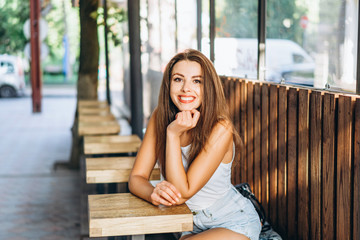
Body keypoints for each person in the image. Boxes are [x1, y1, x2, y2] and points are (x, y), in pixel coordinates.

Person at [129, 49, 261, 240]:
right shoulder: (159, 116)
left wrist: (172, 134)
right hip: (187, 224)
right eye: (178, 79)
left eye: (197, 81)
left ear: (208, 87)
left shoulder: (221, 127)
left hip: (231, 223)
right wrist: (153, 194)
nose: (186, 89)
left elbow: (183, 192)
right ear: (168, 84)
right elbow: (136, 177)